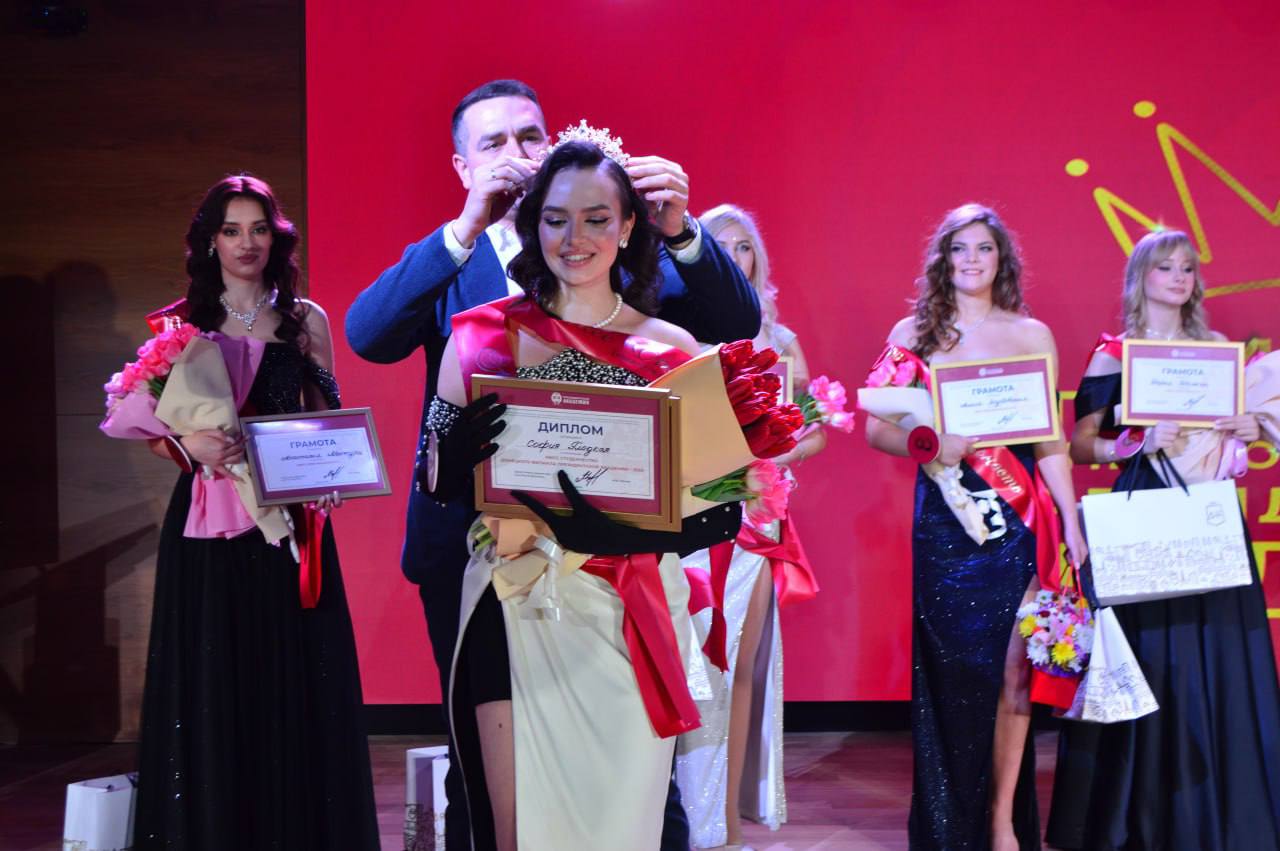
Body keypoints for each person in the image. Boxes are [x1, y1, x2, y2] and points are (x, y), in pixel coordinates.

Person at [344, 78, 760, 847]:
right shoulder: (477, 322)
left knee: (636, 808)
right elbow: (375, 345)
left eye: (597, 219)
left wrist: (651, 525)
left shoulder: (664, 334)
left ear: (625, 224)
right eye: (558, 220)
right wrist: (450, 461)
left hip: (625, 594)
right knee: (496, 799)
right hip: (500, 585)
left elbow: (723, 487)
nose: (576, 236)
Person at [114, 175, 378, 849]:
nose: (246, 243)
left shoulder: (305, 318)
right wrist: (187, 443)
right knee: (214, 674)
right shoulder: (179, 324)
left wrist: (332, 475)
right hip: (208, 526)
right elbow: (148, 425)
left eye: (258, 228)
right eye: (231, 230)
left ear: (276, 238)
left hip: (290, 525)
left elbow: (325, 416)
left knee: (293, 674)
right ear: (210, 241)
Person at [1044, 229, 1280, 851]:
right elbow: (1080, 446)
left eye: (1187, 268)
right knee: (1149, 660)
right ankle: (1138, 818)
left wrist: (1251, 425)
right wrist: (1134, 442)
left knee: (1217, 653)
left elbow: (1235, 434)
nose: (1178, 277)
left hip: (1207, 514)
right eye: (1165, 267)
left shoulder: (1218, 353)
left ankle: (1221, 815)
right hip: (1145, 511)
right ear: (1140, 277)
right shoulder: (1114, 354)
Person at [863, 203, 1086, 851]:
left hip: (1017, 523)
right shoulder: (914, 332)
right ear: (943, 258)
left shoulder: (1032, 333)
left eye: (983, 248)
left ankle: (1001, 821)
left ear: (1001, 260)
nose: (971, 259)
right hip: (946, 521)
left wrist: (1071, 520)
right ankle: (948, 821)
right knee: (956, 672)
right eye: (959, 248)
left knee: (1016, 668)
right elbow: (876, 426)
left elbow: (1051, 441)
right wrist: (930, 442)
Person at [676, 204, 823, 849]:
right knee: (686, 666)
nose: (734, 257)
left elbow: (811, 430)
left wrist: (772, 456)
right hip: (688, 516)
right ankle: (678, 814)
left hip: (755, 520)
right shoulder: (676, 334)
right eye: (721, 246)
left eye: (743, 247)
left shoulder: (780, 342)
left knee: (738, 667)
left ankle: (726, 821)